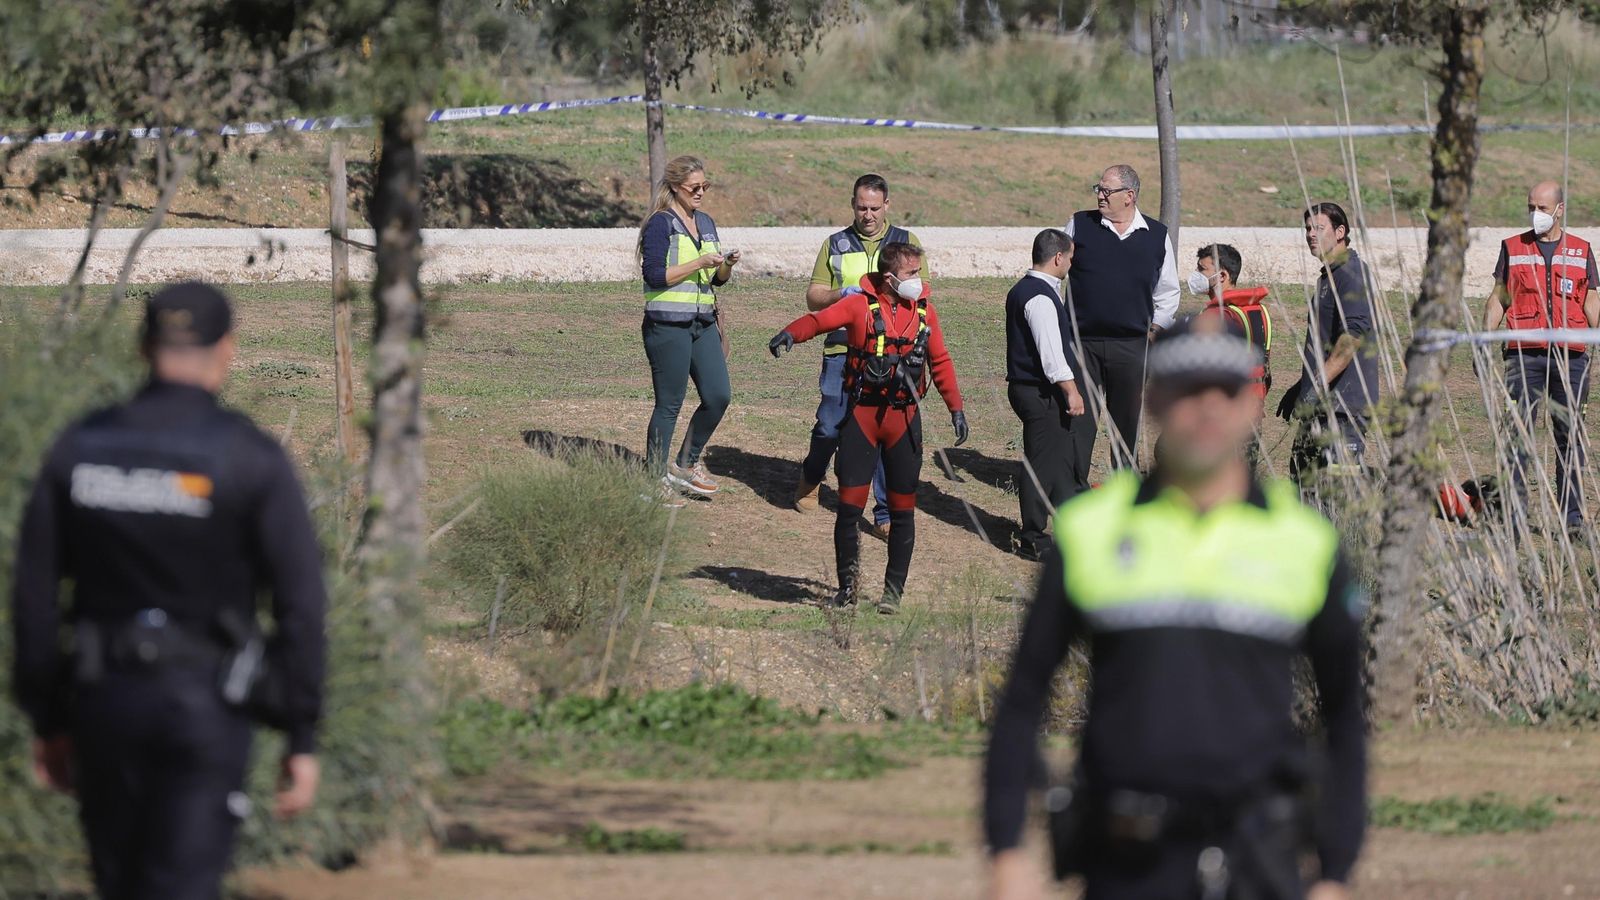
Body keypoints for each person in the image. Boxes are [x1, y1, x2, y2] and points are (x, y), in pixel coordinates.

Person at [984, 322, 1367, 900]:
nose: (1207, 407)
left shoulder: (1305, 541)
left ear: (1252, 403)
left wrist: (1336, 873)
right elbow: (1022, 699)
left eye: (1226, 390)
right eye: (1187, 389)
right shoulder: (1093, 531)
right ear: (1154, 398)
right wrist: (1007, 852)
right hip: (1125, 863)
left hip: (1262, 863)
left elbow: (1345, 717)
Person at [11, 283, 327, 900]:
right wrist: (301, 732)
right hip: (205, 707)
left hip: (105, 700)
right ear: (227, 351)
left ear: (142, 346)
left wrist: (46, 718)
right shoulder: (249, 457)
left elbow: (33, 596)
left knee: (119, 885)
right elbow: (301, 605)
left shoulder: (82, 447)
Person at [768, 242, 967, 615]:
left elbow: (939, 360)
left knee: (902, 511)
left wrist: (956, 407)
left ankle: (892, 595)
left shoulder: (925, 312)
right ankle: (848, 589)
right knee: (848, 509)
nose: (918, 281)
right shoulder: (859, 304)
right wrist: (789, 335)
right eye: (911, 274)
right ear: (890, 278)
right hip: (863, 421)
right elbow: (818, 321)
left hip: (904, 422)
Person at [793, 173, 929, 541]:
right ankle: (812, 475)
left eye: (874, 207)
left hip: (891, 355)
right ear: (852, 204)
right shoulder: (834, 244)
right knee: (829, 425)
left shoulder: (906, 242)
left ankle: (883, 511)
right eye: (860, 207)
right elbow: (813, 297)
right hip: (843, 351)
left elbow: (921, 295)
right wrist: (843, 295)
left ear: (887, 205)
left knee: (885, 432)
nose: (867, 214)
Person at [1482, 180, 1599, 534]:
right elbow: (1498, 299)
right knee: (1517, 436)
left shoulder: (1581, 250)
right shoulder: (1513, 247)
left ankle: (1572, 519)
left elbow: (1590, 297)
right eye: (1531, 207)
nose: (1536, 214)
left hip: (1571, 358)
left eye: (1543, 208)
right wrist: (1483, 340)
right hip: (1523, 357)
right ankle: (1514, 514)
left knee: (1570, 437)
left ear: (1559, 210)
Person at [1061, 163, 1181, 483]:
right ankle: (1072, 490)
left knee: (1125, 425)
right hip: (1081, 344)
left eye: (1106, 190)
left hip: (1131, 348)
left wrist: (1154, 332)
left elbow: (1168, 292)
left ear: (1129, 196)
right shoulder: (1078, 225)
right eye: (1098, 189)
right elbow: (1053, 268)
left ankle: (1123, 491)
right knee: (1078, 421)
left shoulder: (1156, 236)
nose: (1100, 195)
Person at [639, 155, 739, 504]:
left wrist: (724, 266)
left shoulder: (707, 223)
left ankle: (685, 464)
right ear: (676, 188)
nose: (701, 192)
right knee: (670, 403)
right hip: (667, 327)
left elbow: (716, 281)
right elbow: (654, 275)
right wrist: (698, 261)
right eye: (694, 187)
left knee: (718, 395)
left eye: (705, 186)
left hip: (702, 324)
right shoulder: (660, 224)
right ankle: (654, 479)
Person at [1277, 202, 1378, 486]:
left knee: (1338, 490)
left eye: (1318, 228)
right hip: (1321, 404)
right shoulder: (1329, 277)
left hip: (1343, 408)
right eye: (1307, 229)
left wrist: (1316, 385)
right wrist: (1303, 386)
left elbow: (1351, 338)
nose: (1310, 234)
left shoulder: (1352, 274)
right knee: (1303, 482)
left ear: (1340, 232)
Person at [1006, 228, 1086, 561]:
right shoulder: (1039, 296)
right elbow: (1050, 353)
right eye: (1069, 257)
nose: (1070, 263)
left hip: (1035, 389)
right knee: (1041, 463)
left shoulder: (1026, 289)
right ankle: (1033, 535)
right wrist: (1071, 390)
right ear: (1058, 257)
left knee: (1059, 461)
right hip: (1040, 390)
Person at [1189, 243, 1274, 466]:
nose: (1196, 275)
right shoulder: (1257, 310)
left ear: (1222, 275)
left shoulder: (1218, 316)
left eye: (1202, 269)